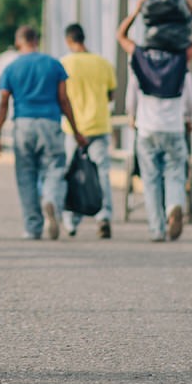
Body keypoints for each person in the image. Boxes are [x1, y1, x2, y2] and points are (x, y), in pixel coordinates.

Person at [117, 0, 192, 242]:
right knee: (176, 173)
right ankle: (174, 207)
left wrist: (135, 11)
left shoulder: (140, 60)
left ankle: (157, 230)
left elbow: (120, 36)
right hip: (174, 128)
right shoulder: (181, 61)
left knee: (150, 179)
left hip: (146, 129)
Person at [0, 26, 87, 240]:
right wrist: (76, 131)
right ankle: (51, 199)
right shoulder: (54, 64)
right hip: (50, 123)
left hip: (23, 125)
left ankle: (33, 227)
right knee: (54, 168)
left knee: (26, 175)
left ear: (19, 42)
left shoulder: (12, 67)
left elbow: (3, 102)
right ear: (37, 40)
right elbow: (64, 100)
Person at [60, 23, 117, 238]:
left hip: (73, 129)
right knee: (101, 172)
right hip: (99, 126)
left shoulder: (65, 63)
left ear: (68, 40)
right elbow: (111, 95)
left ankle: (70, 221)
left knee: (71, 173)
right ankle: (104, 217)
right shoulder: (103, 63)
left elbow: (61, 97)